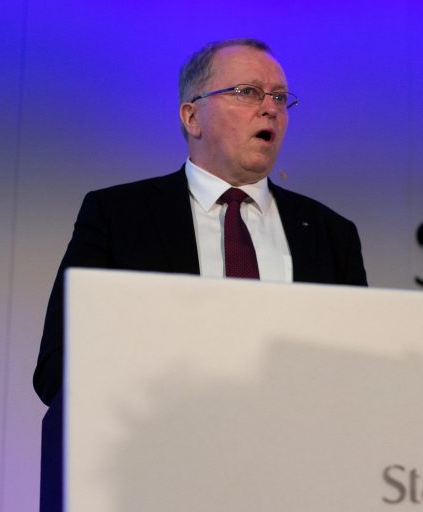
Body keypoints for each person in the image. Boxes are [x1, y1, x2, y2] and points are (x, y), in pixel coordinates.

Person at [33, 38, 367, 512]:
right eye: (248, 92)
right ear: (192, 117)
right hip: (154, 481)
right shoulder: (118, 215)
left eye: (279, 97)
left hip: (295, 485)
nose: (269, 109)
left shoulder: (332, 234)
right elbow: (57, 364)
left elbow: (357, 379)